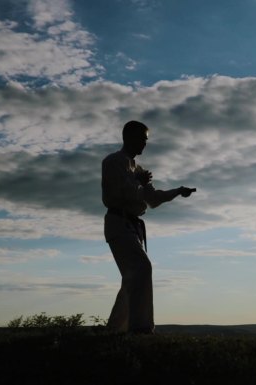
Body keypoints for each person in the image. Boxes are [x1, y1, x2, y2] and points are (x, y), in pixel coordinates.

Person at [102, 120, 196, 334]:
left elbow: (151, 199)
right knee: (141, 268)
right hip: (118, 222)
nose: (145, 144)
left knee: (132, 276)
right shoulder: (113, 161)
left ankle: (114, 330)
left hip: (132, 225)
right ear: (129, 138)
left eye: (146, 141)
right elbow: (120, 193)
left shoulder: (139, 169)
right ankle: (140, 329)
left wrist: (178, 191)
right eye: (142, 139)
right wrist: (139, 182)